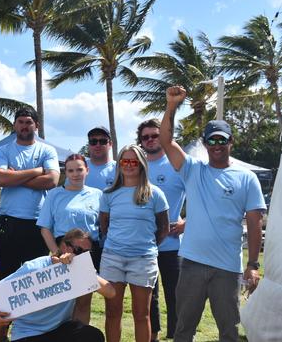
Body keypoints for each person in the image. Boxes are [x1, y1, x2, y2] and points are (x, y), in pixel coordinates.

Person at [160, 86, 266, 342]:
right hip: (192, 264)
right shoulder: (193, 170)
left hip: (228, 268)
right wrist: (171, 106)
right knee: (183, 330)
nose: (216, 145)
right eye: (211, 140)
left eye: (222, 140)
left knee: (229, 332)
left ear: (231, 142)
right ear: (205, 143)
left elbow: (254, 223)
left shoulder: (247, 178)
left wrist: (252, 265)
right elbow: (166, 141)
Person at [0, 229, 116, 341]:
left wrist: (80, 268)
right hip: (28, 333)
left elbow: (110, 292)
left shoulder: (80, 271)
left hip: (59, 330)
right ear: (65, 247)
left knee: (92, 335)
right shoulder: (35, 267)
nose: (82, 256)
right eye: (79, 250)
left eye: (87, 253)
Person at [99, 144, 169, 342]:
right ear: (119, 164)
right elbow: (104, 225)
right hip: (113, 258)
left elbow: (163, 228)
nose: (129, 165)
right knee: (112, 313)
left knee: (142, 315)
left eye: (133, 161)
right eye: (125, 161)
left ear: (141, 164)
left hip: (143, 260)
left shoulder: (155, 193)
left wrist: (146, 245)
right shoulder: (108, 194)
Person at [0, 106, 60, 278]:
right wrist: (37, 171)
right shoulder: (3, 150)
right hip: (9, 222)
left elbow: (52, 180)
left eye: (28, 122)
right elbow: (1, 179)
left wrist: (15, 176)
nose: (24, 126)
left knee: (37, 279)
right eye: (20, 122)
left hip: (38, 222)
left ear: (36, 125)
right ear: (14, 125)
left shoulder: (47, 150)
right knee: (7, 278)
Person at [36, 153, 103, 323]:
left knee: (83, 302)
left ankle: (80, 335)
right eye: (71, 170)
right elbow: (45, 228)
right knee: (60, 303)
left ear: (87, 170)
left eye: (79, 169)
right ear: (65, 172)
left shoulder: (98, 195)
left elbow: (103, 227)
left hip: (88, 253)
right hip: (62, 253)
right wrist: (58, 253)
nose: (75, 174)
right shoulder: (54, 194)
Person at [137, 118, 186, 340]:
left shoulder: (178, 164)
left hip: (172, 244)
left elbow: (200, 195)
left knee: (176, 295)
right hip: (144, 245)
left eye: (154, 135)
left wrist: (187, 222)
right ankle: (153, 336)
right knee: (149, 296)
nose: (150, 140)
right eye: (145, 137)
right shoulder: (136, 166)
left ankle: (177, 335)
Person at [85, 126, 116, 191]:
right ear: (89, 145)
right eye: (93, 141)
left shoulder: (120, 169)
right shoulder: (79, 168)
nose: (98, 145)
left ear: (110, 144)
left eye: (102, 141)